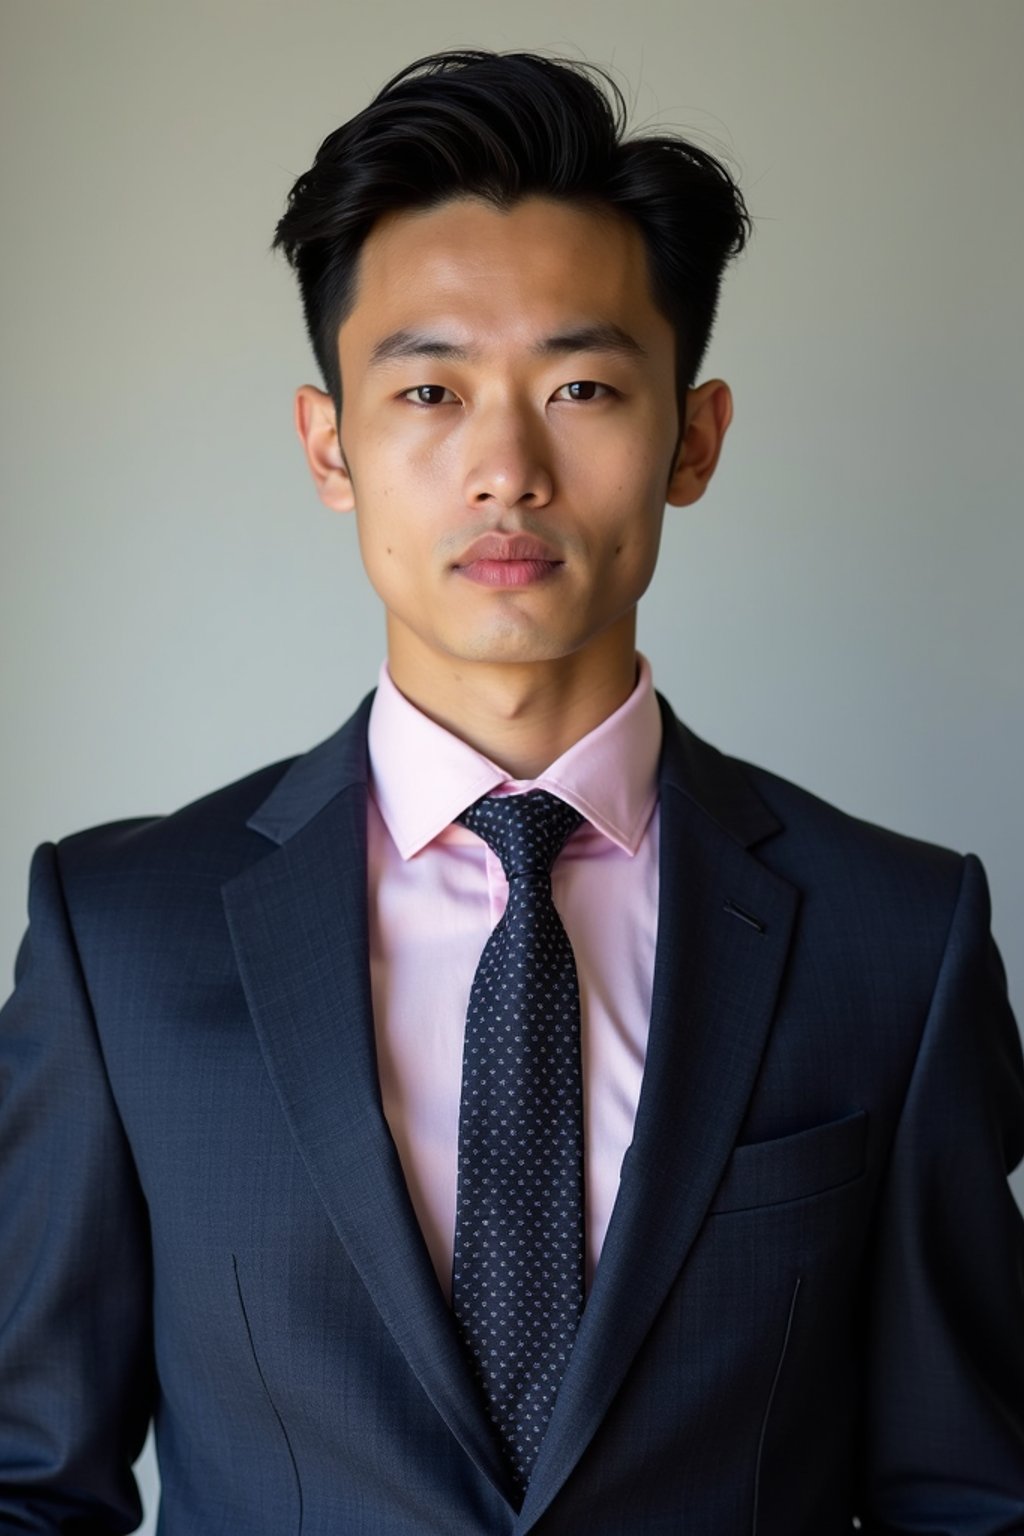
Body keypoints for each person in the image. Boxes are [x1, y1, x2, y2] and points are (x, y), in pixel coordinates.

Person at [1, 47, 1022, 1536]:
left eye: (584, 384)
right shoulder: (120, 943)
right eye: (428, 387)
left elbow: (971, 1500)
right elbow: (29, 1489)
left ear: (696, 437)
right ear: (328, 445)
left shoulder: (899, 938)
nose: (506, 466)